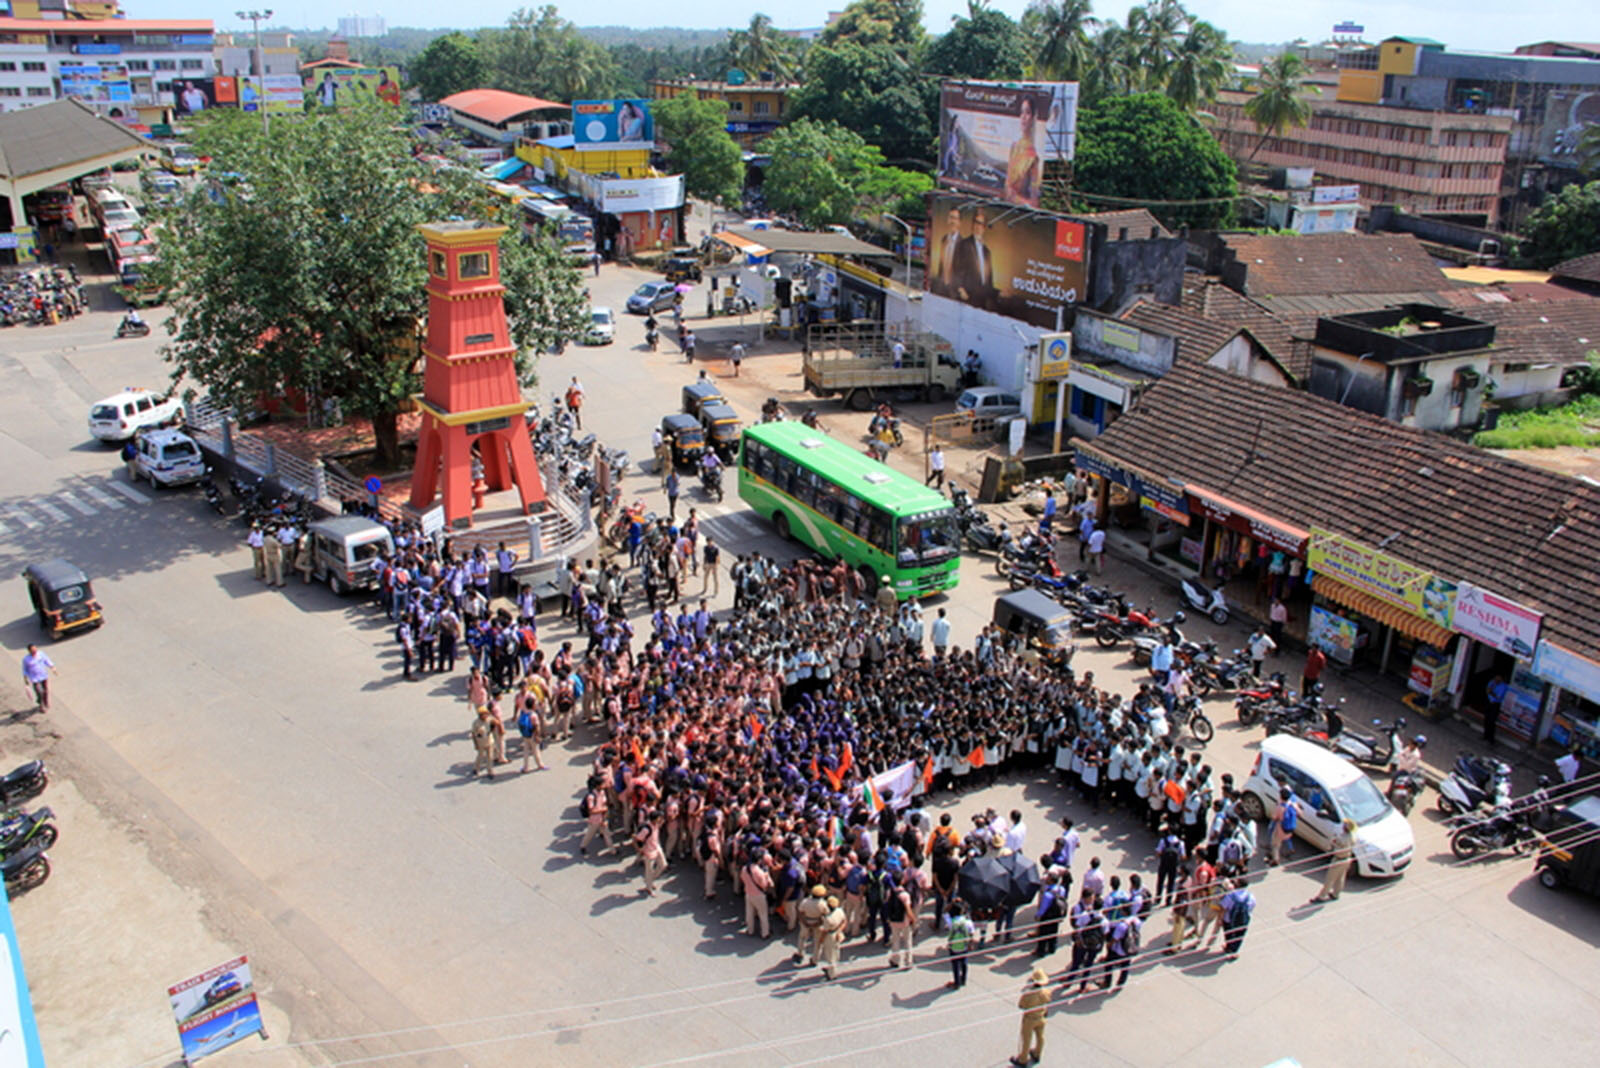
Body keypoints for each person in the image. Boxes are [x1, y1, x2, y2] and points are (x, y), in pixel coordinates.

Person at [954, 205, 996, 309]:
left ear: (984, 228)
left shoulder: (987, 252)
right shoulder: (963, 244)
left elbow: (989, 281)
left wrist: (998, 293)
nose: (977, 227)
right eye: (976, 223)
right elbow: (956, 269)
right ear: (972, 225)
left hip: (982, 301)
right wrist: (960, 289)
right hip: (967, 298)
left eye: (981, 224)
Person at [1005, 95, 1043, 204]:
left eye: (1027, 112)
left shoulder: (1033, 157)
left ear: (1033, 117)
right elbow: (1007, 186)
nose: (1023, 117)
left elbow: (1034, 202)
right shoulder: (1014, 147)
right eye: (1022, 112)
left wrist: (1017, 199)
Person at [1011, 966, 1050, 1067]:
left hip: (1030, 1019)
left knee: (1026, 1039)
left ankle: (1023, 1059)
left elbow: (1021, 1005)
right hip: (1041, 1017)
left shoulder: (1028, 994)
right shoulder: (1047, 992)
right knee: (1040, 1037)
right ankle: (1037, 1053)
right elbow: (1047, 1002)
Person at [1310, 818, 1356, 903]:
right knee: (1340, 877)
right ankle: (1336, 893)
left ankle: (1322, 896)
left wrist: (1334, 841)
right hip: (1347, 859)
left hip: (1339, 859)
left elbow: (1335, 844)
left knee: (1330, 879)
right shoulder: (1352, 837)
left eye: (1344, 825)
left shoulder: (1342, 838)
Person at [1218, 876, 1256, 959]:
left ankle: (1228, 947)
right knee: (1239, 936)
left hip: (1229, 919)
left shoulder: (1231, 896)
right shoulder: (1250, 896)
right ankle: (1234, 951)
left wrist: (1220, 919)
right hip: (1243, 920)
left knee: (1229, 934)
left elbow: (1223, 908)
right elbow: (1252, 907)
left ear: (1238, 885)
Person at [794, 885, 829, 966]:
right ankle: (815, 960)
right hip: (817, 923)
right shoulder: (823, 904)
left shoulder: (805, 901)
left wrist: (804, 921)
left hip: (806, 921)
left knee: (802, 938)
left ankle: (800, 954)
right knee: (818, 943)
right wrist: (818, 923)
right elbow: (825, 916)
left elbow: (800, 912)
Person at [817, 894, 847, 980]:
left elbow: (825, 931)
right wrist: (839, 931)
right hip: (837, 933)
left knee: (830, 956)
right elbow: (844, 921)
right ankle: (833, 968)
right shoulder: (840, 911)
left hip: (830, 935)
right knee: (836, 951)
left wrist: (821, 939)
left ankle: (832, 975)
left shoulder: (828, 918)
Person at [21, 644, 56, 711]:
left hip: (43, 675)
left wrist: (52, 667)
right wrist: (26, 679)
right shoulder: (26, 659)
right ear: (29, 651)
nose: (34, 651)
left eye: (35, 649)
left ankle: (46, 702)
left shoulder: (41, 654)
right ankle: (41, 704)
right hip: (34, 678)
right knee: (39, 692)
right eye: (32, 650)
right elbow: (25, 670)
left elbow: (47, 660)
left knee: (45, 690)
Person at [470, 706, 496, 779]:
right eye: (483, 714)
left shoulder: (489, 719)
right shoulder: (476, 723)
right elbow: (473, 734)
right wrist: (475, 744)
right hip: (480, 742)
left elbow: (495, 723)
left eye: (486, 714)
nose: (485, 716)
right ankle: (476, 768)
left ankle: (490, 771)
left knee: (490, 757)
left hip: (489, 740)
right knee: (480, 756)